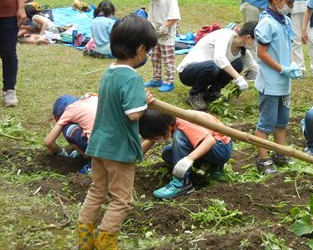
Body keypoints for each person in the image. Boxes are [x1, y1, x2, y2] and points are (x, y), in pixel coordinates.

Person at [76, 14, 157, 250]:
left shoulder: (109, 72)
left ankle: (85, 241)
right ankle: (105, 244)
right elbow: (133, 113)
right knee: (121, 200)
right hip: (118, 149)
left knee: (97, 192)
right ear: (141, 49)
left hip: (99, 145)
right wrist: (143, 99)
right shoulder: (132, 78)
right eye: (148, 50)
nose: (148, 55)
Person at [253, 0, 305, 175]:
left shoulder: (285, 20)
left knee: (282, 121)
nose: (291, 5)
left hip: (284, 83)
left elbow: (288, 45)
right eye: (288, 1)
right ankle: (263, 158)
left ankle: (280, 153)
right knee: (266, 122)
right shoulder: (266, 23)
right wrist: (282, 69)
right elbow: (262, 53)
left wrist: (292, 64)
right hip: (271, 82)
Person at [139, 109, 233, 199]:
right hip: (214, 146)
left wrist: (188, 159)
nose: (157, 140)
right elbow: (151, 139)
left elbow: (210, 141)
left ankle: (182, 183)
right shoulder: (167, 120)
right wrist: (135, 155)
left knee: (179, 136)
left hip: (220, 148)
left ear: (167, 128)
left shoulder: (184, 124)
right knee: (167, 153)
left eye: (157, 137)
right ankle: (213, 166)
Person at [178, 21, 259, 111]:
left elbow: (255, 68)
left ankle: (211, 93)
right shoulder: (225, 35)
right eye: (257, 40)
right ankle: (194, 94)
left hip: (209, 71)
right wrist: (238, 78)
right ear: (248, 37)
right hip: (188, 72)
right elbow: (219, 58)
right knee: (212, 66)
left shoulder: (243, 50)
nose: (258, 44)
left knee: (238, 64)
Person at [142, 0, 181, 93]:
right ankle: (156, 79)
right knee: (155, 57)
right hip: (154, 32)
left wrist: (165, 27)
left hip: (166, 34)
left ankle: (169, 82)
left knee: (168, 59)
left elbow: (174, 17)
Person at [44, 93, 98, 174]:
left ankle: (93, 165)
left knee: (67, 129)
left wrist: (61, 152)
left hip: (101, 150)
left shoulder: (68, 110)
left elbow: (48, 142)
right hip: (120, 143)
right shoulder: (92, 98)